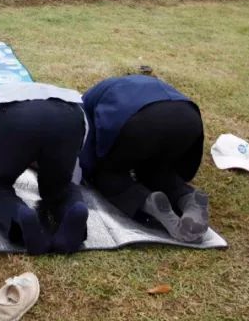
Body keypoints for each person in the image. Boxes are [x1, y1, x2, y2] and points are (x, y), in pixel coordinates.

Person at [0, 82, 90, 255]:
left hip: (12, 121)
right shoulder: (63, 97)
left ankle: (19, 215)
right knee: (60, 188)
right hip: (69, 117)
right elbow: (73, 161)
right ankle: (75, 208)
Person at [80, 74, 209, 242]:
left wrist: (90, 172)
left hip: (140, 123)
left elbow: (88, 149)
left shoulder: (85, 102)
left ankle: (147, 202)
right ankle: (187, 198)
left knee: (109, 176)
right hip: (189, 116)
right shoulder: (138, 83)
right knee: (159, 170)